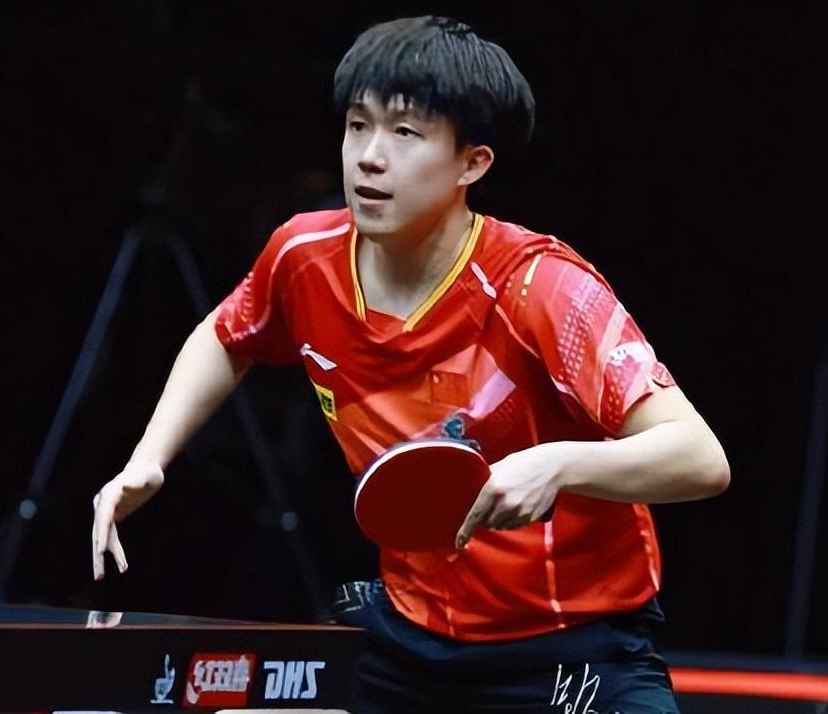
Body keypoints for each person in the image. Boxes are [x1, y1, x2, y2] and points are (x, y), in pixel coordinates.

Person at [91, 15, 729, 713]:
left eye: (404, 133)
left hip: (571, 649)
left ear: (471, 164)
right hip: (409, 642)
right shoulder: (304, 257)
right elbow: (226, 335)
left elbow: (699, 457)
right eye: (357, 126)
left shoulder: (539, 287)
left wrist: (559, 464)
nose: (369, 157)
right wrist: (150, 457)